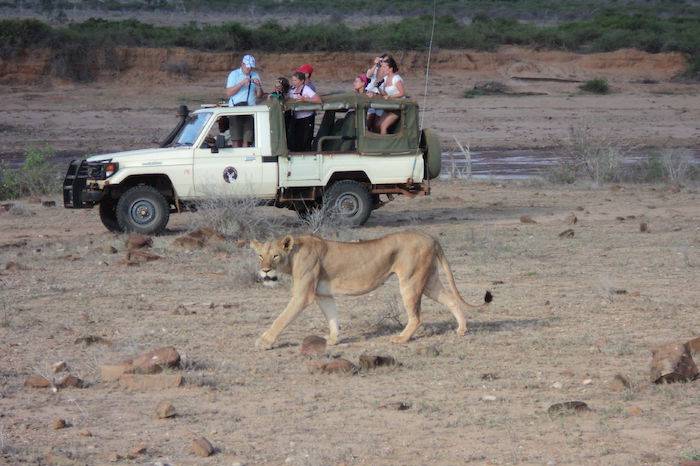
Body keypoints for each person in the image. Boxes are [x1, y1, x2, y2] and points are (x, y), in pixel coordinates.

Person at [225, 54, 262, 147]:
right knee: (236, 139)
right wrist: (241, 83)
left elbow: (259, 95)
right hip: (235, 109)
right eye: (248, 67)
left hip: (250, 110)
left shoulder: (255, 75)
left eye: (251, 67)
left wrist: (258, 86)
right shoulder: (234, 74)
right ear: (242, 64)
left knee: (247, 139)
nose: (249, 69)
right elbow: (229, 93)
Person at [287, 71, 321, 151]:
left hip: (307, 118)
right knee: (296, 140)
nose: (293, 82)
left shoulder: (306, 89)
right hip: (296, 118)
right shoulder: (292, 89)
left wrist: (305, 99)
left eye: (295, 80)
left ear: (302, 81)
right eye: (293, 80)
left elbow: (318, 100)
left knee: (305, 140)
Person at [376, 55, 405, 135]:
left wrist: (389, 97)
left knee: (383, 126)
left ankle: (384, 145)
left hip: (398, 107)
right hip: (389, 106)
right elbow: (385, 94)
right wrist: (378, 88)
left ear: (390, 68)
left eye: (385, 67)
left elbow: (402, 93)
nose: (383, 69)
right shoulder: (385, 79)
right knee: (377, 124)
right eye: (382, 67)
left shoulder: (396, 78)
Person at [364, 54, 388, 131]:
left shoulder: (388, 71)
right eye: (382, 60)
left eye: (386, 61)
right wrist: (375, 64)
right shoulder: (376, 69)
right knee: (368, 118)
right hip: (370, 96)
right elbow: (368, 75)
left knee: (378, 121)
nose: (383, 62)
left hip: (380, 96)